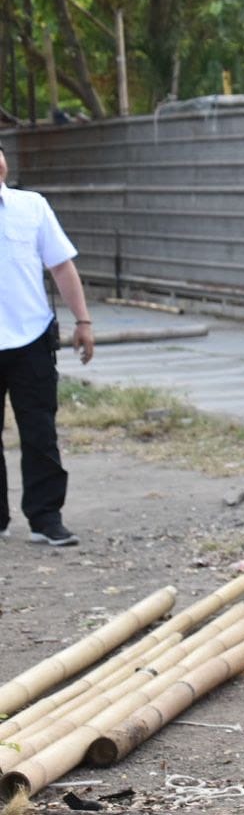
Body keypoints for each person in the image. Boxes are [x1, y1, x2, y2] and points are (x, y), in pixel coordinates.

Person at [0, 145, 94, 547]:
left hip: (31, 338)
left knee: (40, 430)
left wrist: (83, 320)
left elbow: (60, 264)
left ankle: (46, 517)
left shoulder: (31, 206)